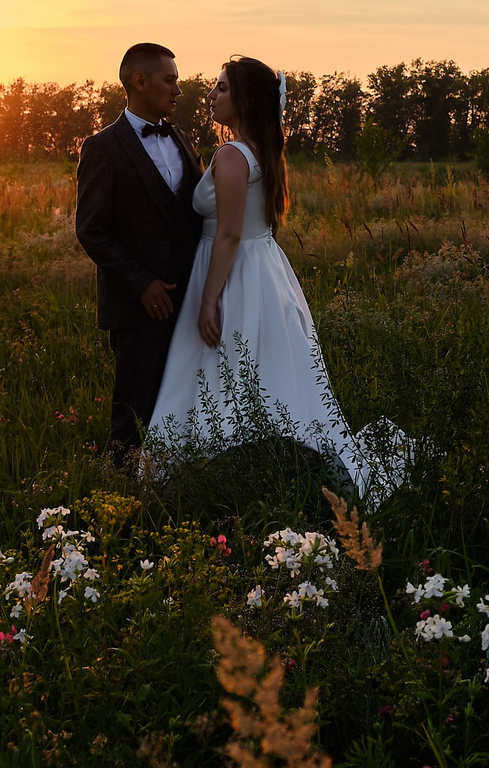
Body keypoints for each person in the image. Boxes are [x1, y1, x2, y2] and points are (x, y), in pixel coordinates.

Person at [144, 55, 401, 499]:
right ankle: (269, 465)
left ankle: (208, 473)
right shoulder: (264, 152)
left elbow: (227, 233)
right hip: (264, 271)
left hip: (231, 273)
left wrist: (208, 300)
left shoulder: (231, 155)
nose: (211, 95)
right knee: (261, 370)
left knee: (218, 369)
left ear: (244, 99)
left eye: (222, 88)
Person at [74, 42, 205, 467]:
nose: (178, 90)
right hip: (136, 308)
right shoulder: (102, 147)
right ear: (139, 81)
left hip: (188, 300)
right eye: (170, 80)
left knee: (186, 403)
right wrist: (141, 283)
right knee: (134, 411)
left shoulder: (181, 138)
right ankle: (124, 502)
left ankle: (177, 490)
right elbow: (92, 230)